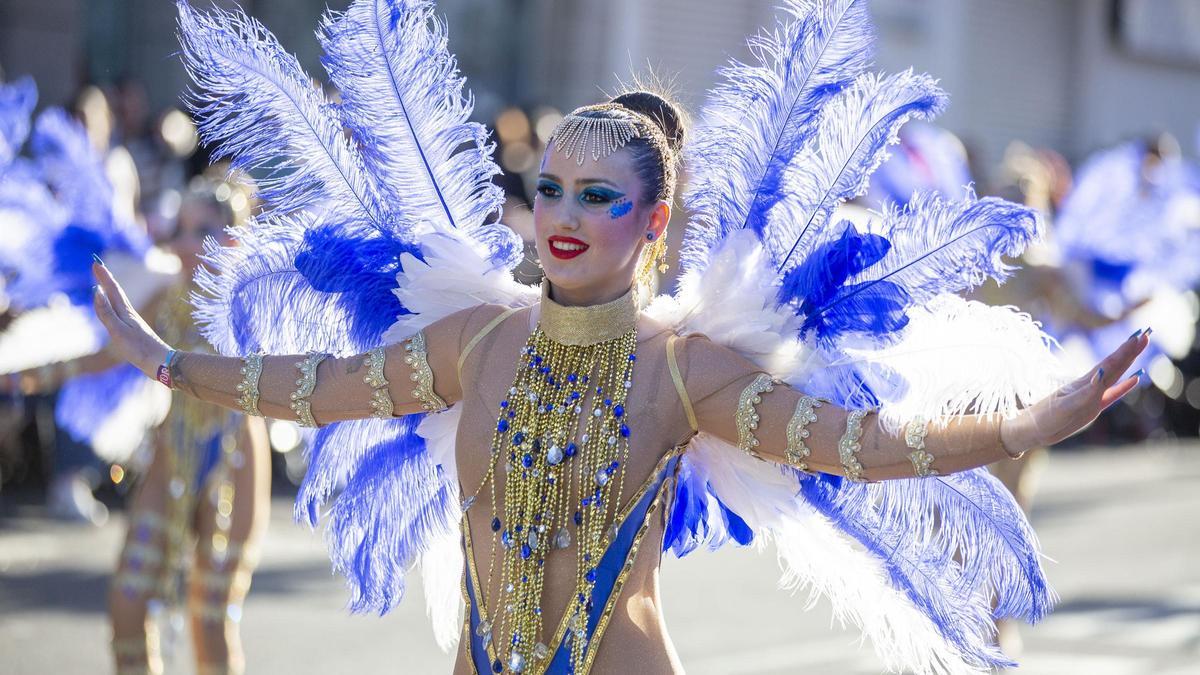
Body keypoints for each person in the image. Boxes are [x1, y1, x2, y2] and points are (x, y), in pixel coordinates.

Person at [92, 1, 1147, 673]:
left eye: (595, 195)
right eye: (548, 187)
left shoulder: (686, 372)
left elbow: (867, 448)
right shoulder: (478, 342)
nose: (559, 212)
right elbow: (320, 385)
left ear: (652, 223)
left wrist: (1025, 422)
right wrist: (168, 361)